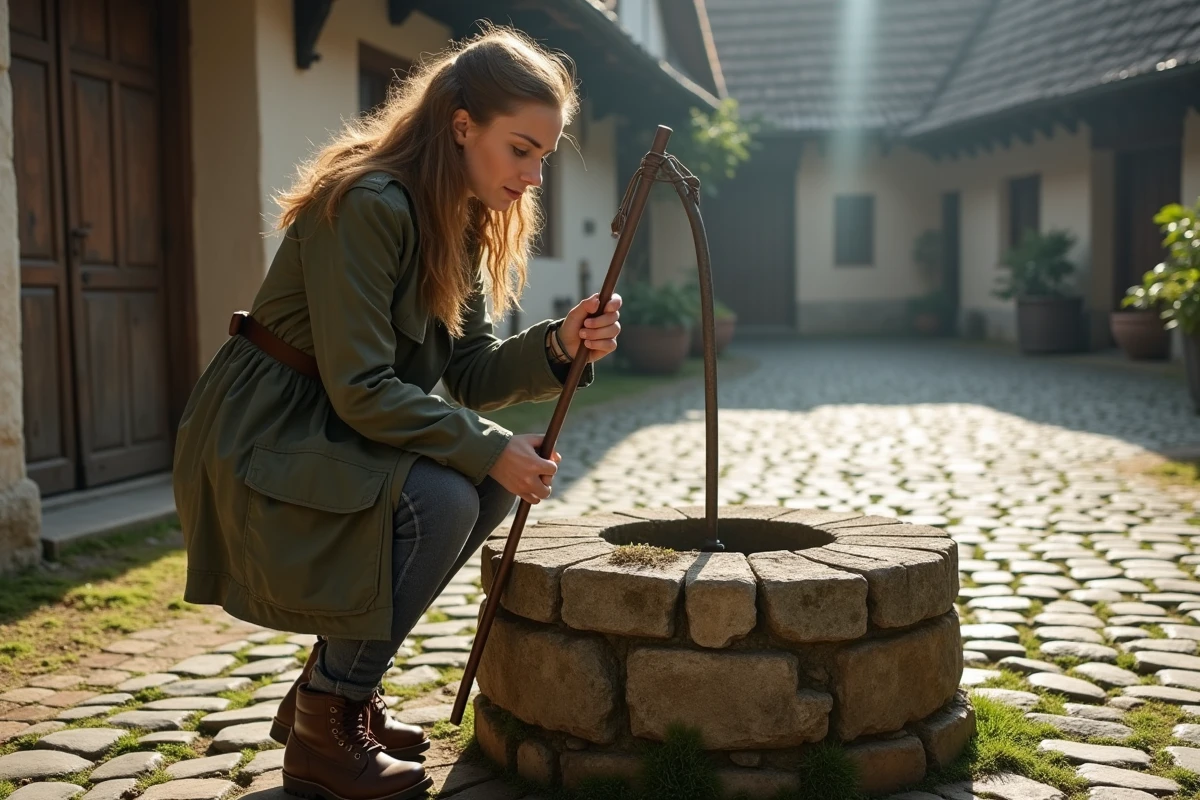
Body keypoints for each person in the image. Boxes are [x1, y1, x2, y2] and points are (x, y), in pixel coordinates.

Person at [171, 26, 622, 800]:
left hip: (332, 424)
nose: (534, 175)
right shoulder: (370, 203)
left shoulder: (461, 217)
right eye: (521, 149)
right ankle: (328, 716)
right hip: (268, 431)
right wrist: (488, 447)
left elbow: (471, 372)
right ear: (460, 127)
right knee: (446, 495)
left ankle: (330, 689)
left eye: (544, 155)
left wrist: (560, 342)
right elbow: (361, 388)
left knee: (481, 483)